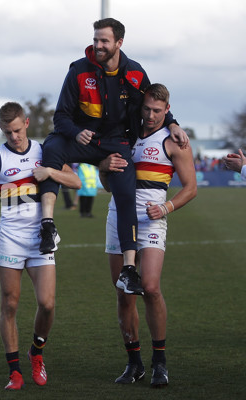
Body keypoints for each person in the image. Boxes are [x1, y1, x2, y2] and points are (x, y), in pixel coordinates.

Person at [36, 18, 189, 296]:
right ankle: (47, 225)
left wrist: (174, 123)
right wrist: (75, 131)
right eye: (95, 40)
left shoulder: (135, 73)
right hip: (82, 139)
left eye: (104, 41)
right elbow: (60, 116)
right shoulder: (79, 70)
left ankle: (129, 270)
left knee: (125, 191)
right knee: (52, 147)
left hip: (116, 144)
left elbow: (154, 102)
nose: (98, 45)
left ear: (119, 43)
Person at [0, 102, 81, 390]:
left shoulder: (45, 151)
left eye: (18, 130)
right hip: (10, 237)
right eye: (8, 132)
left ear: (27, 123)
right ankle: (14, 371)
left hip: (40, 237)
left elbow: (75, 180)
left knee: (47, 303)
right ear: (1, 130)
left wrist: (50, 172)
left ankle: (36, 352)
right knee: (9, 304)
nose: (15, 137)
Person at [100, 83, 197, 388]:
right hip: (119, 216)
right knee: (124, 291)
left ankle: (160, 362)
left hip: (153, 220)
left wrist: (167, 206)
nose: (151, 115)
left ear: (168, 110)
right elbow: (106, 183)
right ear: (140, 108)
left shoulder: (174, 141)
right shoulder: (125, 136)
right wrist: (104, 165)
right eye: (147, 109)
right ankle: (134, 362)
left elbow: (191, 187)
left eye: (158, 110)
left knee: (151, 288)